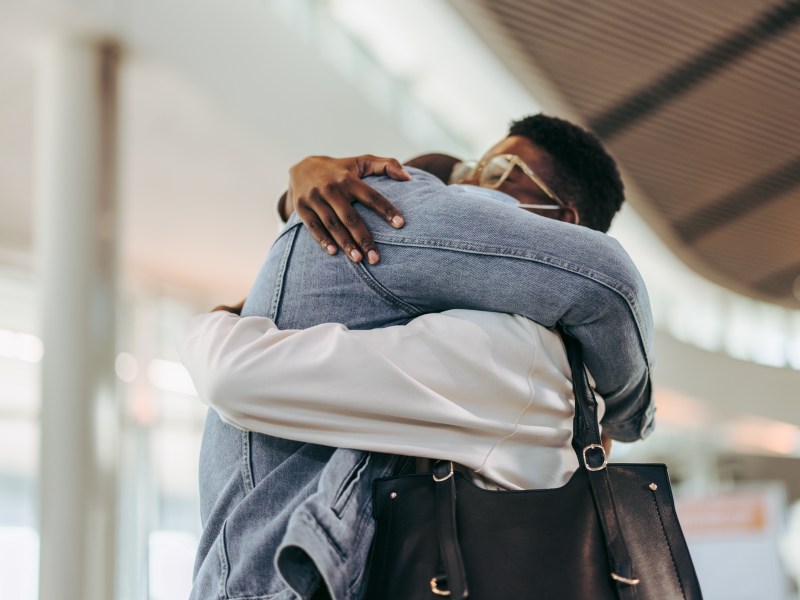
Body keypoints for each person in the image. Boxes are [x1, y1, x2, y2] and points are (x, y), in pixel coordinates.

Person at [181, 114, 655, 600]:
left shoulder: (515, 349)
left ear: (563, 225)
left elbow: (234, 375)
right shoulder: (541, 362)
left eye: (498, 173)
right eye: (471, 168)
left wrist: (208, 327)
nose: (468, 183)